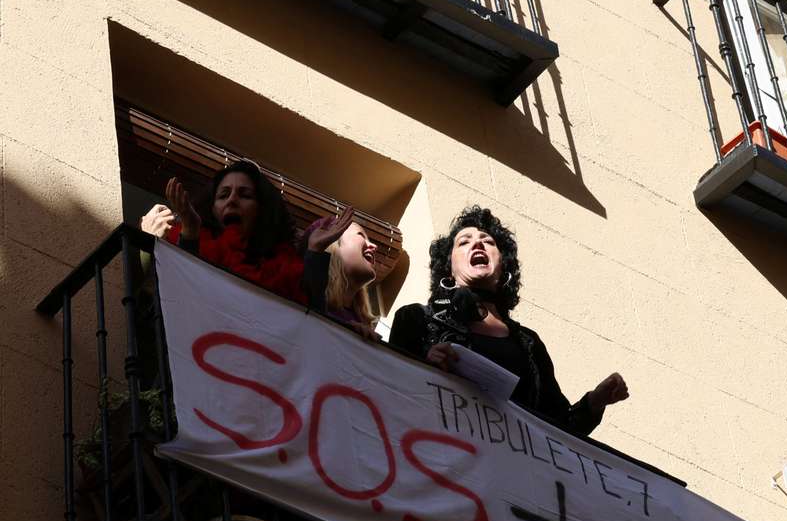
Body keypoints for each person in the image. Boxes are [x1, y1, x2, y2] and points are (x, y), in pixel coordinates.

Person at [389, 205, 628, 436]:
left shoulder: (529, 343)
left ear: (503, 266)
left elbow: (557, 428)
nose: (478, 243)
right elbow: (389, 393)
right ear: (448, 269)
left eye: (488, 241)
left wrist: (595, 401)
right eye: (464, 242)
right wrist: (423, 366)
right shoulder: (417, 319)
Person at [139, 161, 306, 304]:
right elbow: (162, 302)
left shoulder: (285, 270)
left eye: (245, 195)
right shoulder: (181, 240)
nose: (232, 200)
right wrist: (148, 242)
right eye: (223, 195)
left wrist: (316, 255)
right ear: (212, 208)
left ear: (262, 210)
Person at [301, 207, 380, 339]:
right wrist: (315, 252)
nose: (374, 246)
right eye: (361, 235)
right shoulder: (301, 297)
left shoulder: (364, 324)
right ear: (332, 245)